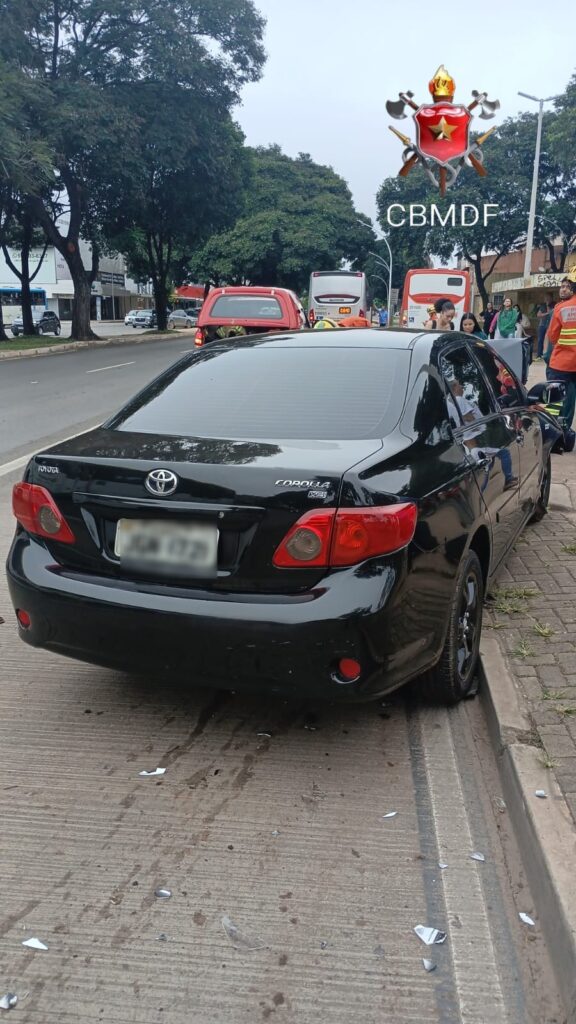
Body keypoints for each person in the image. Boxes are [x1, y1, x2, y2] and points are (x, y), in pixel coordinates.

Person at [545, 270, 576, 428]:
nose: (563, 289)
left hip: (562, 362)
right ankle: (566, 430)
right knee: (571, 400)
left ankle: (554, 432)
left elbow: (552, 336)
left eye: (567, 286)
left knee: (555, 399)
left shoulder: (561, 308)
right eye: (562, 286)